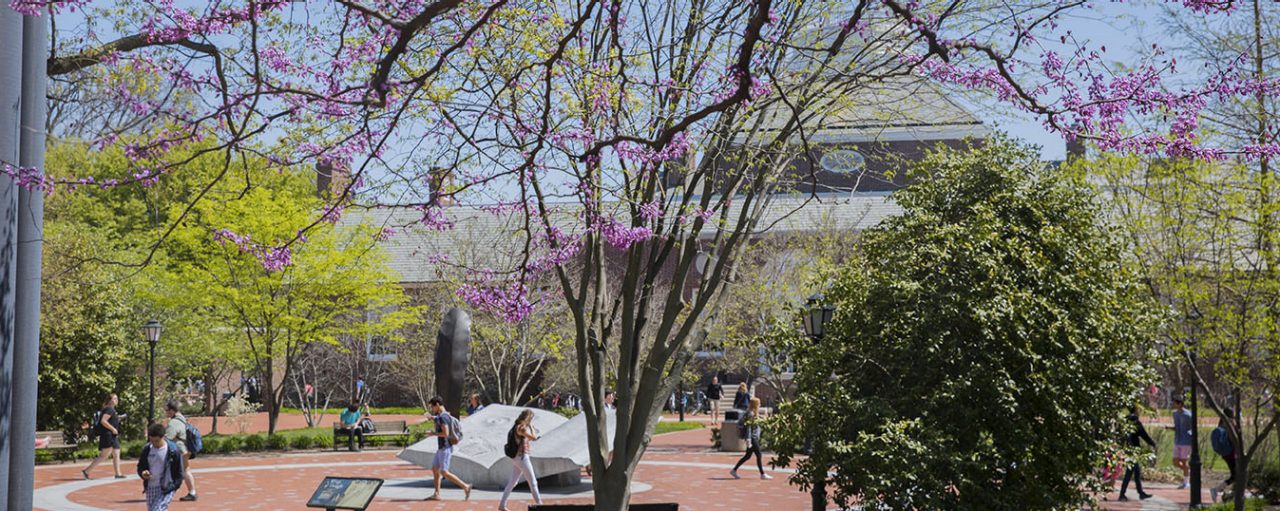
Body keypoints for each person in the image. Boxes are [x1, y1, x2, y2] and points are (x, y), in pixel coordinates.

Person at [425, 396, 471, 501]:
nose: (432, 409)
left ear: (437, 405)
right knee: (435, 468)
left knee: (444, 472)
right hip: (442, 448)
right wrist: (431, 417)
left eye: (432, 407)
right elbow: (438, 419)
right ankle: (436, 494)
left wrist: (433, 433)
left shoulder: (443, 417)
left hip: (445, 448)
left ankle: (465, 486)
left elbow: (445, 433)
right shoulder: (443, 415)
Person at [499, 410, 544, 511]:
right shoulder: (522, 428)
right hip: (522, 458)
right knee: (533, 482)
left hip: (517, 458)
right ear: (528, 418)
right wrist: (531, 426)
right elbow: (534, 437)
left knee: (513, 482)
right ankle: (540, 504)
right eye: (531, 419)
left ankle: (502, 505)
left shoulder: (516, 426)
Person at [138, 422, 186, 511]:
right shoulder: (147, 449)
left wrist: (174, 486)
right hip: (151, 486)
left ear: (163, 437)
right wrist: (143, 473)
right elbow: (141, 467)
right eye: (151, 440)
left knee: (158, 509)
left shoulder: (173, 450)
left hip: (166, 486)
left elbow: (179, 472)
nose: (154, 443)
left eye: (156, 441)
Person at [83, 393, 125, 480]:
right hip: (108, 435)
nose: (116, 400)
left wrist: (117, 419)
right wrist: (113, 429)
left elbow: (109, 420)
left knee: (116, 453)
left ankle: (118, 473)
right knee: (104, 455)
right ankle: (87, 471)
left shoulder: (111, 410)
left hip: (112, 436)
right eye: (114, 399)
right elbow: (103, 421)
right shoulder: (109, 409)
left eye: (117, 399)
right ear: (109, 400)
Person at [1118, 406, 1156, 501]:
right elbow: (1143, 434)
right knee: (1130, 472)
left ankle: (1140, 493)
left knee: (1136, 472)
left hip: (1127, 449)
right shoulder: (1136, 421)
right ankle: (1122, 494)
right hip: (1134, 450)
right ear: (1135, 410)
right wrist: (1152, 443)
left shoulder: (1125, 421)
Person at [162, 401, 198, 501]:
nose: (166, 413)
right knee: (185, 470)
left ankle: (191, 492)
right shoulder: (183, 419)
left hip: (180, 450)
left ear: (172, 411)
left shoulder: (174, 422)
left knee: (177, 471)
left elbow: (167, 438)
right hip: (186, 449)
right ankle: (192, 492)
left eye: (167, 410)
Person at [729, 397, 772, 480]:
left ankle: (734, 470)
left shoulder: (753, 413)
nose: (760, 405)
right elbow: (749, 427)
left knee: (747, 456)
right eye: (759, 404)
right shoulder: (750, 414)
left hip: (753, 437)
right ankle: (762, 474)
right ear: (755, 405)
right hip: (752, 438)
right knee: (759, 455)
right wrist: (748, 439)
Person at [1211, 409, 1238, 503]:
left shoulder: (1222, 423)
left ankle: (1231, 495)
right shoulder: (1230, 424)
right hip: (1232, 453)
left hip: (1226, 453)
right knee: (1236, 475)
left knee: (1236, 475)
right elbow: (1233, 439)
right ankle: (1217, 490)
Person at [1167, 395, 1193, 489]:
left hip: (1186, 441)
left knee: (1184, 461)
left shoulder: (1188, 415)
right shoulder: (1175, 414)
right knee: (1175, 461)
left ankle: (1186, 482)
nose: (1173, 405)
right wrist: (1170, 428)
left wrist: (1191, 437)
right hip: (1177, 440)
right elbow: (1177, 427)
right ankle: (1187, 471)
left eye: (1175, 403)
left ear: (1180, 404)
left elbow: (1192, 428)